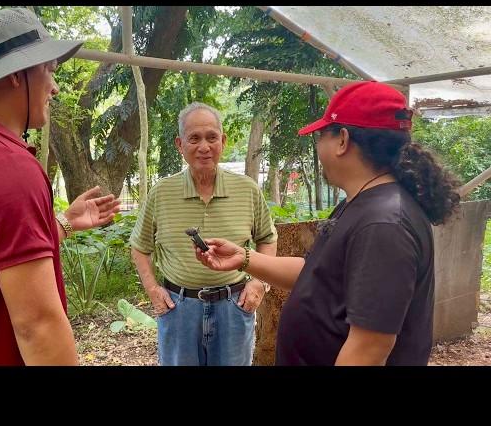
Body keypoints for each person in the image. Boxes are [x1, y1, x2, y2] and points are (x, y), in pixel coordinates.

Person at [195, 81, 461, 366]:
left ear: (343, 140)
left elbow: (368, 349)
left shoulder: (384, 224)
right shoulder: (360, 203)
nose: (318, 145)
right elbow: (316, 274)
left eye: (321, 135)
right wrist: (244, 257)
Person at [0, 8, 121, 365]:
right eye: (49, 70)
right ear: (16, 75)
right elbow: (37, 325)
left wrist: (63, 224)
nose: (55, 87)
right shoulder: (5, 165)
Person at [130, 102, 277, 366]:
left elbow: (267, 238)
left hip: (234, 306)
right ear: (179, 144)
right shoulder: (162, 193)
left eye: (211, 137)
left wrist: (258, 283)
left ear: (223, 140)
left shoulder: (247, 190)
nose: (204, 147)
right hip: (179, 310)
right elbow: (140, 247)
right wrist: (152, 289)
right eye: (194, 138)